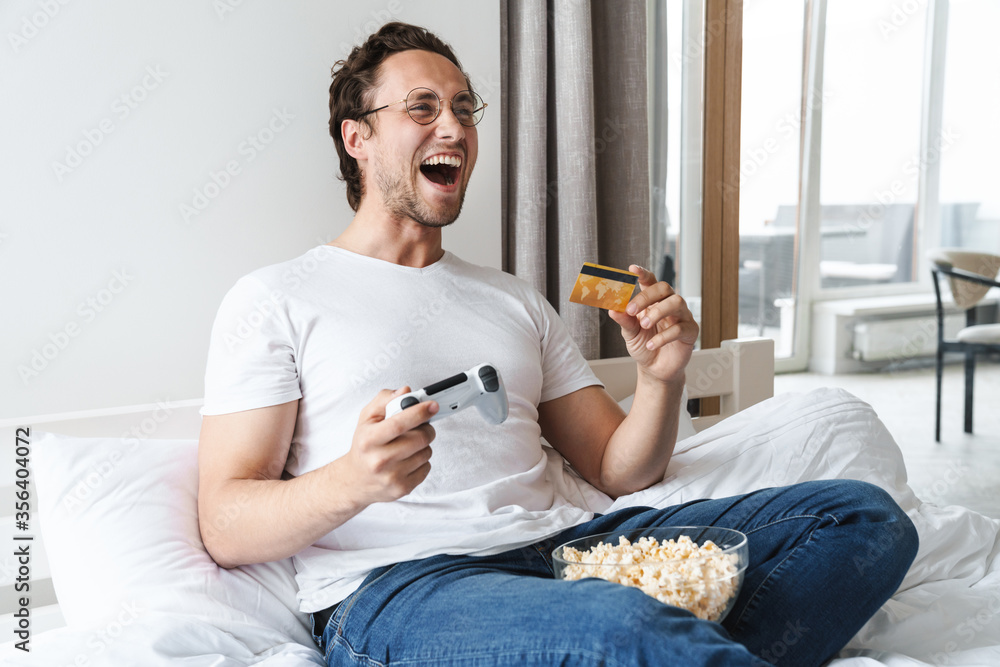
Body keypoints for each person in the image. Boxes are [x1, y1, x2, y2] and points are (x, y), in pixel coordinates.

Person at [197, 21, 918, 666]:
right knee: (625, 625)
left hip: (574, 551)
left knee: (863, 518)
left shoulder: (512, 299)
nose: (453, 128)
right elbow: (225, 522)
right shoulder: (275, 298)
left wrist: (662, 378)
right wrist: (352, 479)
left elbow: (616, 468)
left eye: (463, 109)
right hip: (406, 585)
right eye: (422, 108)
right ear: (358, 137)